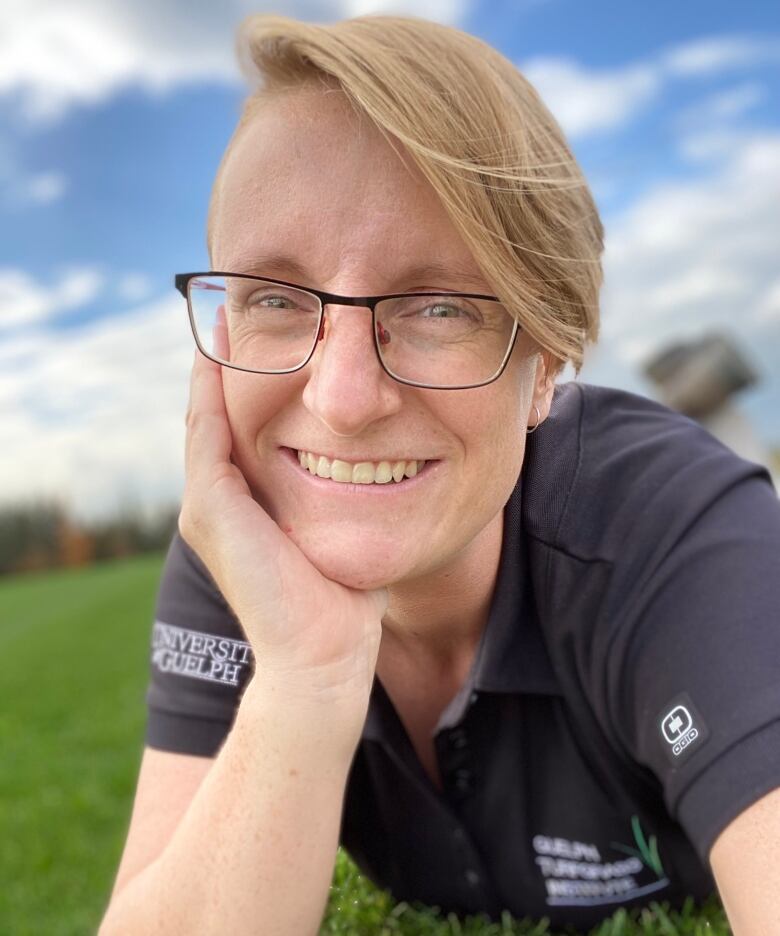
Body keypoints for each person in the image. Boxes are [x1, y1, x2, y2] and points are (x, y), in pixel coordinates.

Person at [99, 14, 780, 936]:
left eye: (441, 306)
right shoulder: (243, 545)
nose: (341, 398)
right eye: (273, 297)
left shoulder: (677, 533)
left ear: (545, 366)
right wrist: (307, 675)